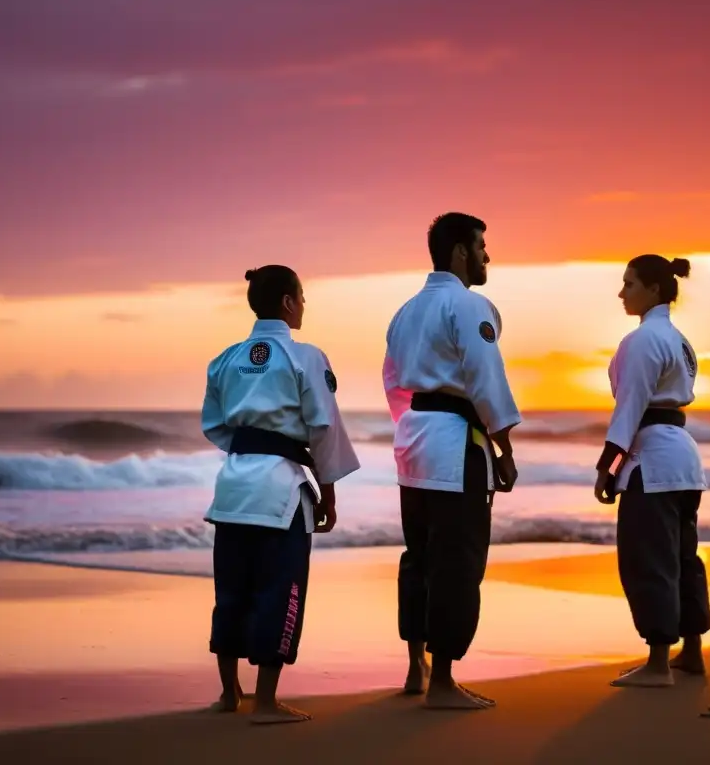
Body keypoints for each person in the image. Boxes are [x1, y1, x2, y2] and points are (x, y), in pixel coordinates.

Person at [201, 264, 360, 724]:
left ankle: (230, 693)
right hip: (281, 490)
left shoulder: (226, 358)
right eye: (303, 296)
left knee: (231, 589)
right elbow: (323, 426)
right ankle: (266, 702)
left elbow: (214, 424)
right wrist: (328, 493)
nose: (305, 304)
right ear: (289, 302)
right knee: (280, 591)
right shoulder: (305, 356)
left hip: (232, 486)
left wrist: (249, 452)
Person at [382, 212, 521, 710]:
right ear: (460, 251)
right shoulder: (468, 304)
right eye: (482, 246)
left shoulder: (404, 311)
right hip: (456, 446)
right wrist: (503, 448)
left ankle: (416, 666)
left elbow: (393, 381)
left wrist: (412, 427)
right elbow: (486, 378)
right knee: (457, 562)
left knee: (418, 556)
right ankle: (442, 681)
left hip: (414, 443)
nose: (487, 256)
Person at [593, 254, 710, 688]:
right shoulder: (678, 340)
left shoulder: (642, 340)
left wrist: (608, 465)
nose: (622, 292)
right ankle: (691, 652)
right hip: (683, 459)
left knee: (649, 559)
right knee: (682, 558)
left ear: (655, 290)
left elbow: (630, 407)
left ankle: (659, 662)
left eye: (629, 283)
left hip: (655, 462)